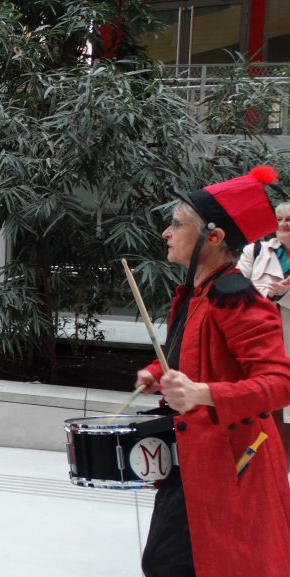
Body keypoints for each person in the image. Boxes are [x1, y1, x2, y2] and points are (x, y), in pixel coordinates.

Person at [134, 166, 290, 577]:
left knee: (187, 565)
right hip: (190, 456)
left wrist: (203, 393)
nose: (167, 232)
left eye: (177, 224)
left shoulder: (241, 300)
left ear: (215, 237)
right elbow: (186, 355)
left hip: (234, 461)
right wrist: (156, 371)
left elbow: (279, 384)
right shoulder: (195, 292)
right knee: (166, 563)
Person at [236, 199, 290, 457]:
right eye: (280, 219)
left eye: (289, 219)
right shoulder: (256, 251)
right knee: (262, 416)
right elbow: (234, 291)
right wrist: (272, 295)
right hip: (261, 347)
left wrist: (285, 295)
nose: (283, 224)